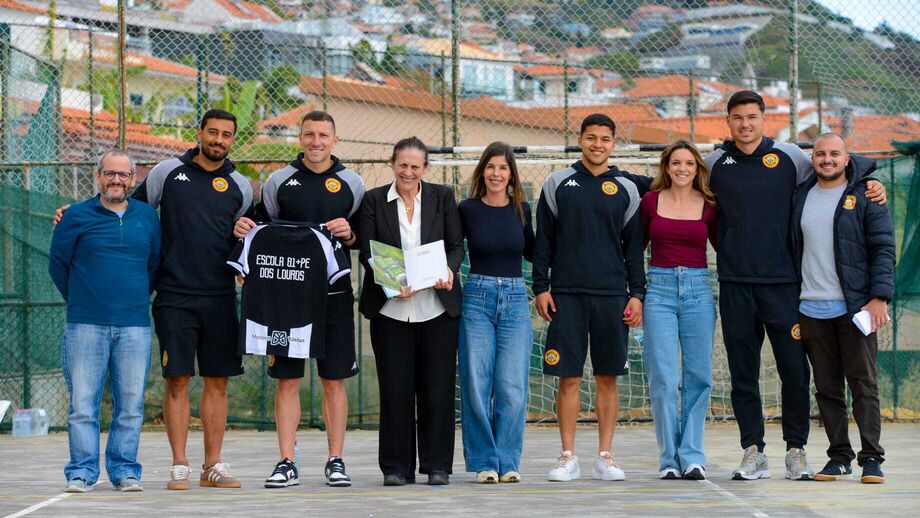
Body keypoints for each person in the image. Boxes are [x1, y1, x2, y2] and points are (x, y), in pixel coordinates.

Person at [58, 110, 254, 489]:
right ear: (199, 133)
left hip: (220, 297)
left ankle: (212, 465)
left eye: (226, 134)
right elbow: (123, 206)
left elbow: (249, 236)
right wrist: (75, 213)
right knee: (177, 379)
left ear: (233, 139)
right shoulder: (167, 172)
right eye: (211, 132)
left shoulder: (241, 186)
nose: (218, 139)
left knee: (218, 381)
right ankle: (179, 464)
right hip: (174, 296)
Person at [704, 91, 886, 481]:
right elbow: (674, 179)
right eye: (737, 117)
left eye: (752, 116)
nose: (745, 124)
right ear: (728, 121)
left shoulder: (791, 158)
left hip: (785, 287)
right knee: (743, 373)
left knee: (795, 372)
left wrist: (871, 185)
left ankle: (796, 450)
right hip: (736, 284)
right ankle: (753, 451)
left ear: (764, 118)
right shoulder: (715, 163)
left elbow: (835, 169)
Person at [234, 111, 364, 488]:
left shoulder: (352, 183)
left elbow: (363, 236)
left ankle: (335, 459)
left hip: (335, 296)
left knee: (333, 379)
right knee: (287, 380)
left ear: (335, 140)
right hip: (287, 300)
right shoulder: (279, 181)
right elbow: (261, 228)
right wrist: (243, 229)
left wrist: (351, 235)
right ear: (300, 138)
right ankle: (286, 461)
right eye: (309, 134)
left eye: (324, 135)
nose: (316, 141)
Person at [533, 113, 650, 482]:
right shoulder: (557, 182)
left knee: (607, 377)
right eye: (591, 137)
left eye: (605, 139)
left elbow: (634, 249)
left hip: (612, 295)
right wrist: (541, 287)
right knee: (567, 378)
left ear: (614, 144)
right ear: (580, 139)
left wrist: (637, 294)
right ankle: (567, 456)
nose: (598, 144)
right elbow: (543, 243)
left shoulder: (627, 188)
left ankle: (605, 455)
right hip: (565, 294)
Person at [49, 150, 161, 493]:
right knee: (83, 405)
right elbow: (58, 265)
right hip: (85, 324)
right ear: (97, 177)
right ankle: (81, 473)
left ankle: (125, 471)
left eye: (123, 175)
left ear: (133, 180)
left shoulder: (147, 217)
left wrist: (131, 299)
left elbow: (153, 265)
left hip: (134, 327)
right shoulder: (76, 215)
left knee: (130, 405)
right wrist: (84, 299)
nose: (116, 180)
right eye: (109, 174)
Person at [358, 137, 464, 486]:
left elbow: (454, 246)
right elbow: (367, 252)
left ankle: (437, 466)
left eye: (415, 166)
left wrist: (448, 270)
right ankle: (395, 468)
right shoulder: (373, 200)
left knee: (437, 389)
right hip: (391, 308)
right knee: (395, 389)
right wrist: (392, 281)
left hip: (436, 308)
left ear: (425, 168)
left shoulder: (443, 198)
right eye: (402, 164)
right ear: (393, 164)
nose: (408, 171)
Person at [791, 133, 895, 484]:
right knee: (826, 388)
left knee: (863, 384)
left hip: (855, 309)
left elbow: (883, 248)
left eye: (834, 154)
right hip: (811, 308)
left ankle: (872, 458)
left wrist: (879, 296)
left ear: (847, 158)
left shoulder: (867, 195)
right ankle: (839, 456)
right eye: (820, 154)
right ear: (812, 158)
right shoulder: (800, 195)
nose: (827, 160)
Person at [458, 142, 535, 484]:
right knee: (477, 382)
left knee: (511, 385)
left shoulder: (522, 209)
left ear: (511, 175)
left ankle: (507, 459)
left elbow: (535, 251)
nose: (496, 174)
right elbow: (447, 247)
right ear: (482, 172)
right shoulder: (468, 209)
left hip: (516, 299)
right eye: (490, 167)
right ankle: (484, 462)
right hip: (476, 297)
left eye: (503, 168)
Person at [640, 141, 717, 481]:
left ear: (697, 168)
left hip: (699, 291)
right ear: (666, 167)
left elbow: (728, 246)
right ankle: (669, 458)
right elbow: (633, 250)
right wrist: (634, 294)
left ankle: (692, 455)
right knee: (665, 378)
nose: (682, 168)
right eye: (675, 163)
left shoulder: (710, 205)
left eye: (689, 163)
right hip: (659, 290)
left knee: (699, 377)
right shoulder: (651, 202)